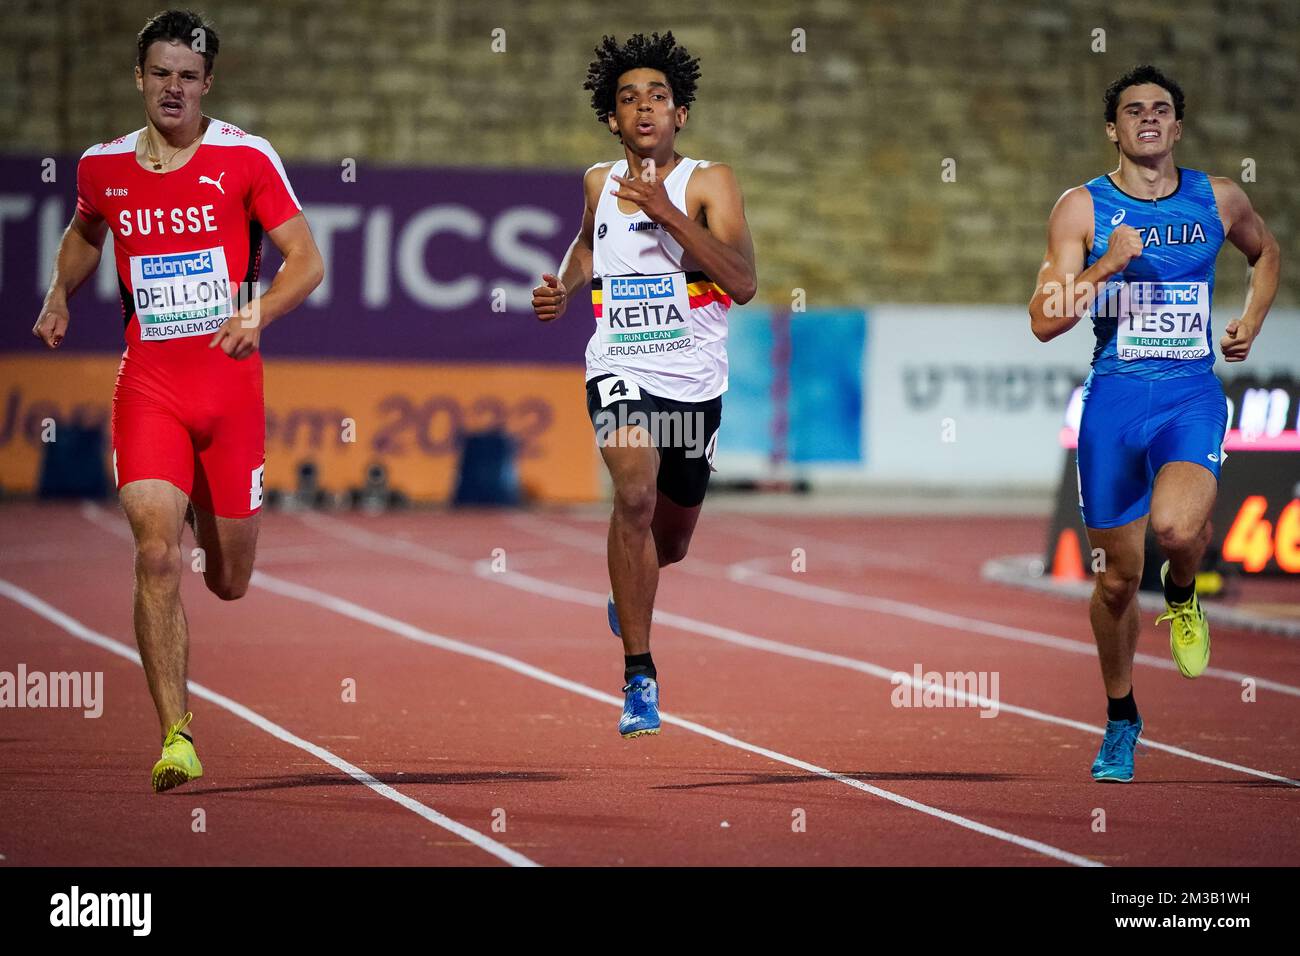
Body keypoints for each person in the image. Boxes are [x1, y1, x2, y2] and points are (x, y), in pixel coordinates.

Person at [32, 10, 324, 791]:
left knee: (228, 582)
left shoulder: (244, 158)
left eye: (188, 77)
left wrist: (256, 311)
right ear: (140, 78)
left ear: (207, 84)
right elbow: (85, 230)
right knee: (157, 554)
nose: (173, 88)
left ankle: (205, 494)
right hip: (150, 386)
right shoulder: (102, 167)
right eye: (160, 73)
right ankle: (176, 737)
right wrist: (61, 289)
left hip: (230, 392)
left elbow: (306, 260)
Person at [1029, 65, 1280, 782]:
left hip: (1188, 397)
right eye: (1132, 110)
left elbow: (1267, 254)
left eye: (1160, 109)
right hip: (1112, 405)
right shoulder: (1082, 209)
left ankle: (1183, 592)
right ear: (1112, 129)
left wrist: (1251, 321)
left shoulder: (1218, 197)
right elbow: (1045, 319)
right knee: (1113, 583)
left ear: (1176, 125)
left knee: (1176, 529)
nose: (1147, 118)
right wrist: (1106, 264)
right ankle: (1121, 720)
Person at [531, 32, 757, 737]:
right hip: (619, 366)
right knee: (632, 493)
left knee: (673, 541)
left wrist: (665, 213)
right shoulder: (599, 182)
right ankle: (640, 674)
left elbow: (744, 282)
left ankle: (629, 589)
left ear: (680, 113)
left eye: (658, 96)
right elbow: (589, 243)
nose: (644, 107)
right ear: (612, 119)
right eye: (628, 98)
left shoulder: (710, 183)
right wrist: (566, 287)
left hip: (693, 383)